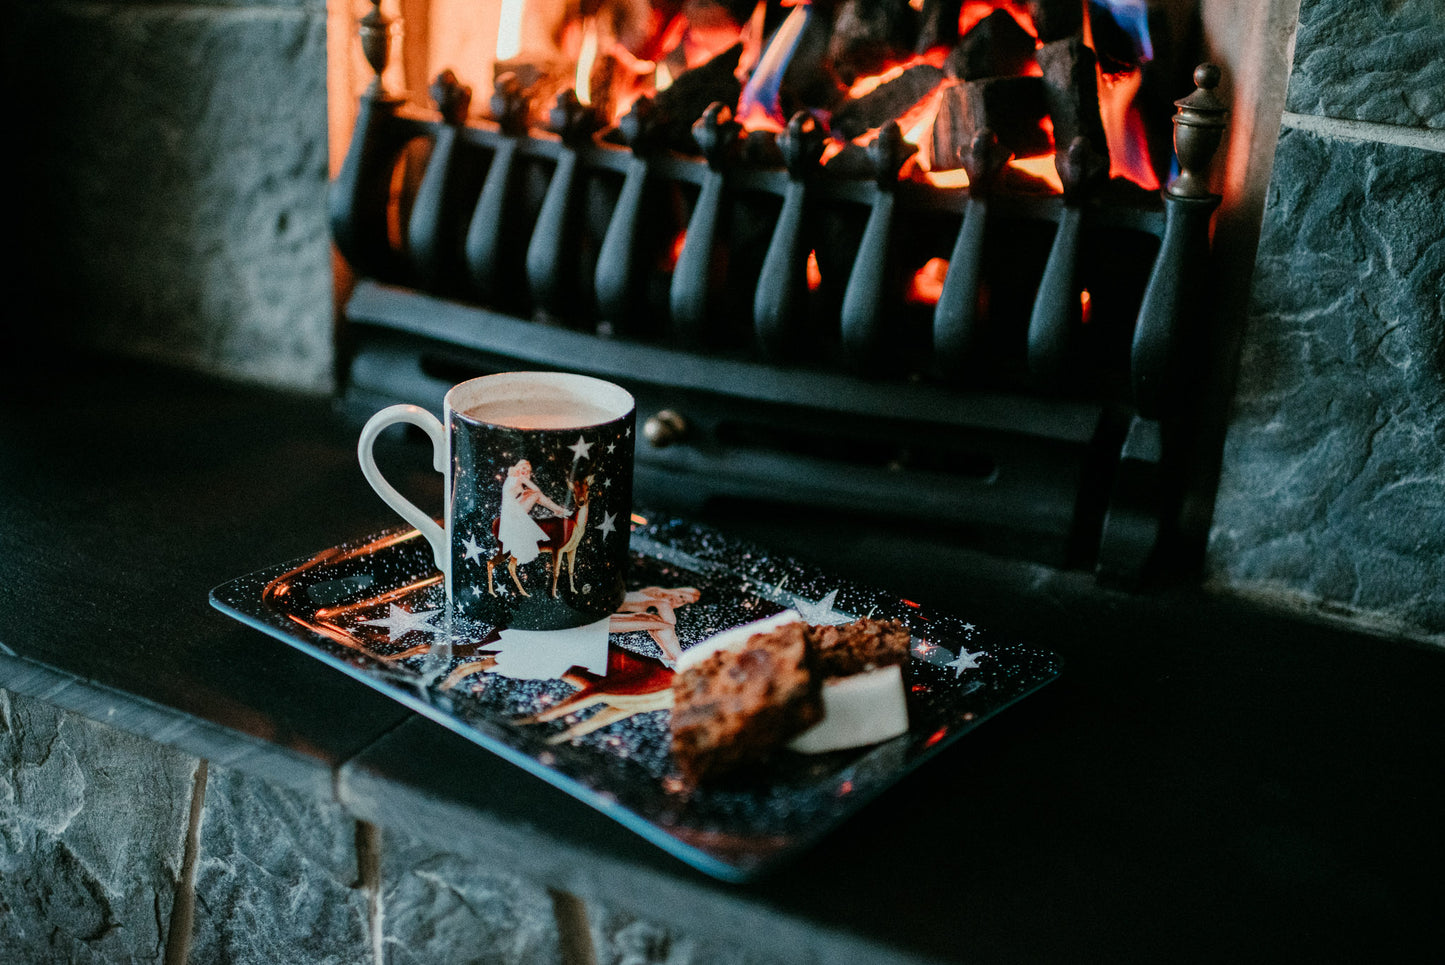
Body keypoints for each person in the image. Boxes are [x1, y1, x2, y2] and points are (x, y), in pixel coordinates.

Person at [496, 460, 571, 565]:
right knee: (536, 494)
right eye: (523, 468)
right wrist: (527, 482)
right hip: (513, 512)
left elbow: (511, 495)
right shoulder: (519, 478)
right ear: (518, 467)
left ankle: (557, 510)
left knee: (534, 494)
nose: (525, 471)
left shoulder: (512, 477)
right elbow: (537, 489)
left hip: (510, 509)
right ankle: (558, 510)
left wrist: (524, 493)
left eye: (527, 470)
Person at [609, 586, 702, 666]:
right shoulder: (662, 602)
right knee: (665, 626)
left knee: (653, 620)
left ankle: (671, 656)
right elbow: (671, 621)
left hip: (608, 616)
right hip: (604, 620)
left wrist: (633, 616)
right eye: (681, 596)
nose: (679, 600)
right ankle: (677, 657)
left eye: (683, 601)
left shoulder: (652, 594)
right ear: (676, 590)